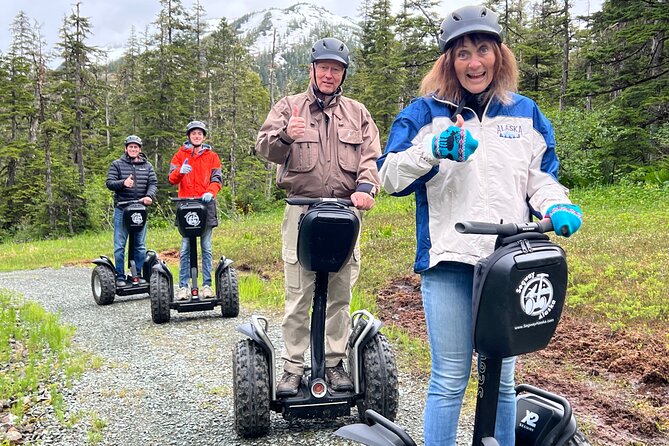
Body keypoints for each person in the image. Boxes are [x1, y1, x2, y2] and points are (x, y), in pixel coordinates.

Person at [378, 6, 583, 446]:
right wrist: (435, 148)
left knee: (502, 378)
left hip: (509, 263)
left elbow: (540, 177)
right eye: (464, 53)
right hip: (449, 259)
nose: (475, 63)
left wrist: (559, 205)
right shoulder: (424, 113)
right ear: (449, 61)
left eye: (484, 50)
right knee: (450, 378)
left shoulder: (524, 113)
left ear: (499, 55)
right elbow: (389, 175)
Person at [255, 37, 381, 397]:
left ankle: (333, 362)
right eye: (323, 67)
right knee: (299, 294)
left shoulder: (358, 113)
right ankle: (293, 367)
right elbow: (264, 147)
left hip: (344, 212)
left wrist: (366, 188)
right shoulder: (289, 107)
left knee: (340, 293)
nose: (329, 74)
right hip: (301, 210)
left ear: (343, 74)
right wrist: (285, 136)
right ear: (312, 69)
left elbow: (371, 157)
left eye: (336, 69)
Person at [168, 121, 222, 300]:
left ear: (203, 136)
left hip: (205, 206)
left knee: (206, 248)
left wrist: (210, 191)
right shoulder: (179, 156)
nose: (197, 136)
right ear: (189, 136)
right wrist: (180, 172)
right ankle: (183, 287)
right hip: (186, 207)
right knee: (185, 249)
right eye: (194, 133)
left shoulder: (212, 156)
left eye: (200, 133)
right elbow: (172, 179)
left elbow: (217, 179)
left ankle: (207, 285)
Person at [105, 135, 158, 287]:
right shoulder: (117, 164)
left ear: (139, 149)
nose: (133, 149)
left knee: (140, 244)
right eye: (131, 147)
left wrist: (149, 195)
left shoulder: (147, 166)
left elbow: (153, 183)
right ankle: (120, 276)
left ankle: (138, 274)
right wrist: (123, 183)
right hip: (122, 209)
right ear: (126, 148)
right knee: (120, 244)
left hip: (140, 210)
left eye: (136, 147)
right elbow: (109, 183)